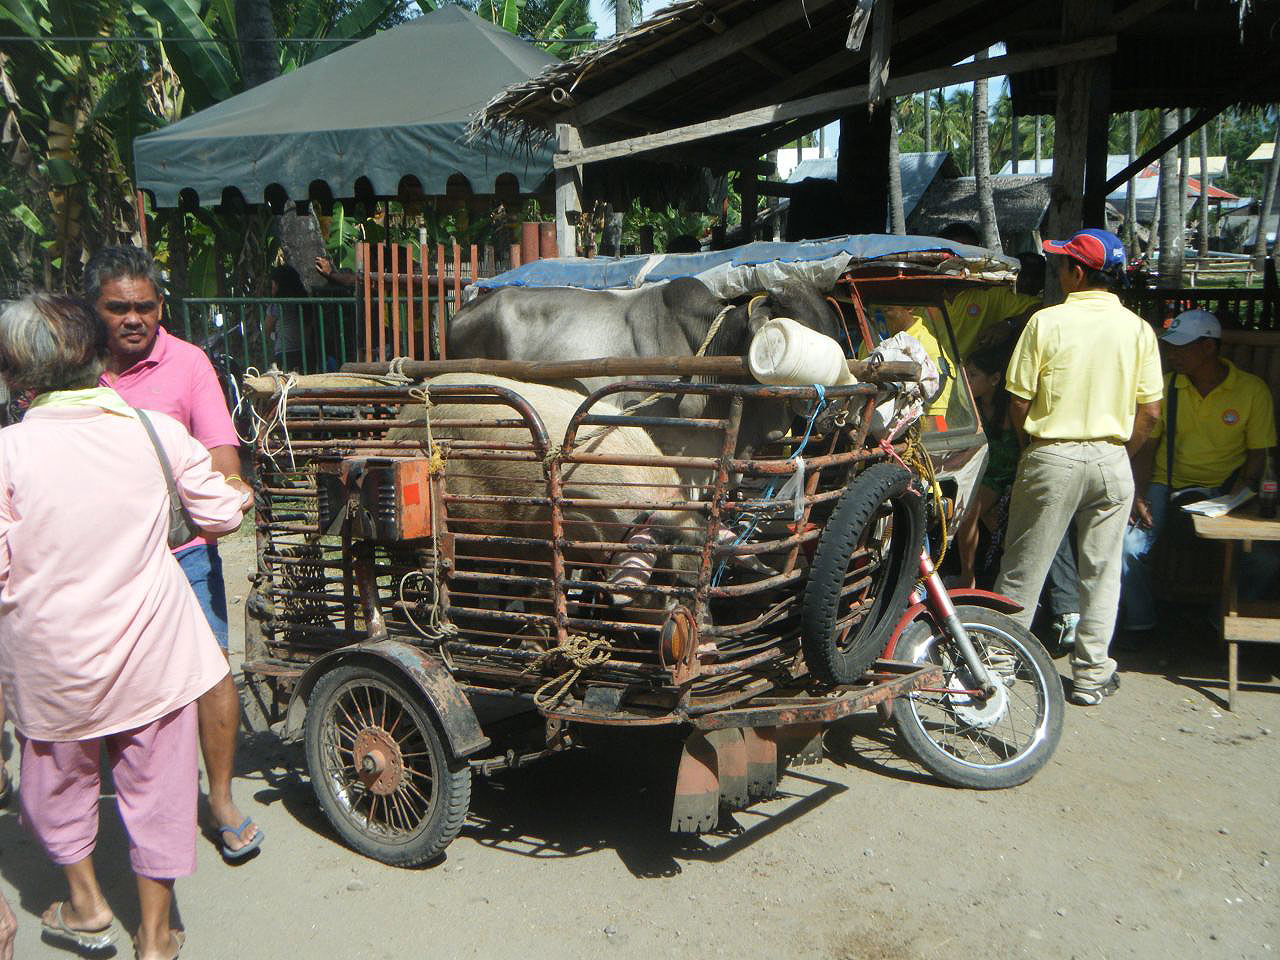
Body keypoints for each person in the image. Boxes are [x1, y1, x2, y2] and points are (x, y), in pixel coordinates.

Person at [0, 294, 246, 960]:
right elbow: (221, 514)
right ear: (97, 357)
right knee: (160, 791)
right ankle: (158, 937)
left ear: (19, 378)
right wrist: (239, 494)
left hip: (54, 663)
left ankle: (86, 902)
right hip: (154, 656)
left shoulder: (7, 454)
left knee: (54, 786)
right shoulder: (154, 433)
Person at [84, 245, 263, 860]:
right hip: (97, 562)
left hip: (181, 551)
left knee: (211, 669)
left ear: (161, 306)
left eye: (146, 306)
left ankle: (219, 800)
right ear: (94, 310)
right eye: (118, 308)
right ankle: (122, 806)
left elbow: (222, 453)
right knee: (108, 680)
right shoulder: (73, 369)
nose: (134, 319)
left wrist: (228, 495)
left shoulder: (188, 363)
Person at [993, 228, 1164, 706]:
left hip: (1053, 452)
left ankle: (1001, 668)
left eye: (1063, 264)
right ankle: (1090, 677)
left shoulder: (1047, 323)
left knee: (1023, 568)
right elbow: (1149, 412)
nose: (1059, 271)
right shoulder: (1138, 329)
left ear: (1079, 273)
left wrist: (1034, 448)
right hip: (1112, 458)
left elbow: (1018, 403)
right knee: (1103, 572)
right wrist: (1118, 454)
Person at [1120, 309, 1278, 633]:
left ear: (1208, 347)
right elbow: (1148, 448)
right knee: (1126, 547)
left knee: (1267, 560)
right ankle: (1140, 623)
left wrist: (1240, 494)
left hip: (1226, 490)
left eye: (1182, 346)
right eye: (1171, 346)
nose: (1173, 354)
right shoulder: (1166, 387)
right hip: (1166, 483)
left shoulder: (1251, 390)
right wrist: (1139, 492)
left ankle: (1221, 618)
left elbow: (1258, 455)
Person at [264, 263, 313, 372]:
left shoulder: (276, 306)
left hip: (285, 354)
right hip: (306, 352)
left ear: (277, 285)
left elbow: (266, 330)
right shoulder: (305, 303)